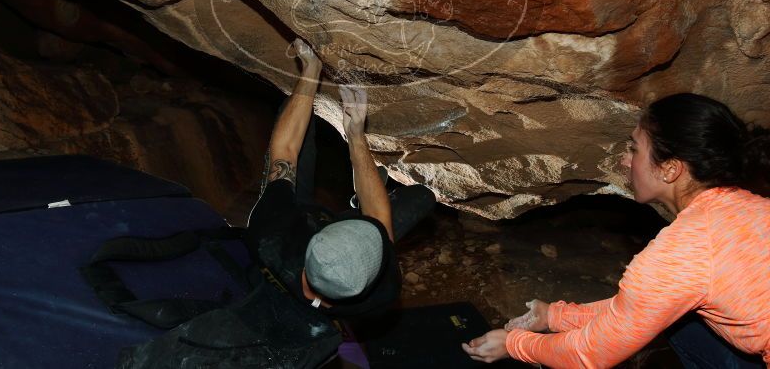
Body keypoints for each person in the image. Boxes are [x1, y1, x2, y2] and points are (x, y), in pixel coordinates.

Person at [462, 93, 770, 367]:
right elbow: (640, 307)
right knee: (680, 321)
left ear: (670, 169)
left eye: (635, 149)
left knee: (675, 325)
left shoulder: (684, 251)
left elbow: (589, 354)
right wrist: (555, 317)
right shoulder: (753, 205)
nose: (625, 160)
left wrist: (514, 344)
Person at [245, 38, 435, 318]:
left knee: (295, 111)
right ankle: (357, 203)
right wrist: (357, 136)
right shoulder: (383, 291)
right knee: (424, 197)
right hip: (315, 233)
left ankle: (359, 202)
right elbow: (379, 218)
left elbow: (285, 152)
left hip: (298, 215)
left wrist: (311, 68)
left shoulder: (272, 236)